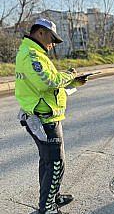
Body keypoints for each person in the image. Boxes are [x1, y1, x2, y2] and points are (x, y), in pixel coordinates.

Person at [15, 18, 87, 213]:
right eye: (52, 38)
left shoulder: (36, 53)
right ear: (40, 32)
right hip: (43, 119)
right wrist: (69, 75)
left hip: (48, 116)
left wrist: (74, 84)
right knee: (55, 164)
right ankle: (47, 207)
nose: (53, 43)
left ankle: (52, 197)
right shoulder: (31, 54)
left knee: (48, 162)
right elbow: (48, 82)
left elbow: (50, 89)